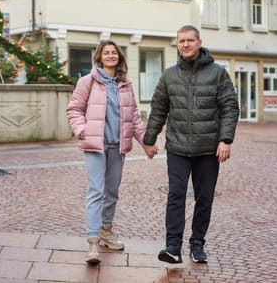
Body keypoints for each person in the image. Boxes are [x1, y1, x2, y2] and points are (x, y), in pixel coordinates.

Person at [143, 25, 239, 264]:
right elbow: (158, 110)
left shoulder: (218, 73)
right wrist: (149, 140)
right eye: (181, 41)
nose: (185, 45)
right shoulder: (169, 75)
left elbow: (230, 107)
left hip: (208, 149)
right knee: (175, 195)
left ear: (199, 43)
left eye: (189, 40)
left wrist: (225, 140)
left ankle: (197, 244)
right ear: (177, 44)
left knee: (204, 197)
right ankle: (173, 246)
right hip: (177, 148)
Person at [66, 40, 157, 265]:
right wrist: (82, 131)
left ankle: (106, 231)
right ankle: (93, 243)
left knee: (112, 192)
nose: (110, 56)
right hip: (95, 146)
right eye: (106, 53)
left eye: (114, 53)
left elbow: (134, 117)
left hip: (118, 147)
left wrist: (146, 143)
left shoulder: (125, 85)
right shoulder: (87, 81)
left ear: (119, 57)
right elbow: (74, 110)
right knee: (96, 192)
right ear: (99, 57)